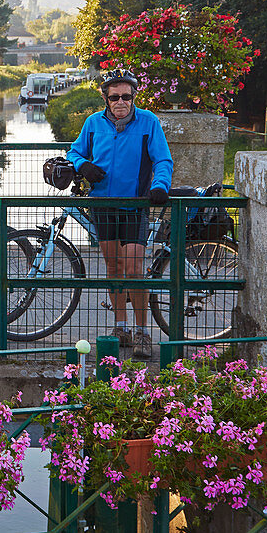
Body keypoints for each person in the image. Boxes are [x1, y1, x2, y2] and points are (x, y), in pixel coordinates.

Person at [66, 68, 173, 359]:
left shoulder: (148, 122)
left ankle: (142, 332)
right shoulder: (93, 123)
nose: (121, 102)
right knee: (113, 269)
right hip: (103, 205)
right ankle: (121, 327)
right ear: (106, 98)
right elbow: (73, 152)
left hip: (135, 206)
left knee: (135, 271)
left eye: (126, 96)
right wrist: (82, 166)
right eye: (115, 97)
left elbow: (163, 159)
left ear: (133, 96)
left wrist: (160, 185)